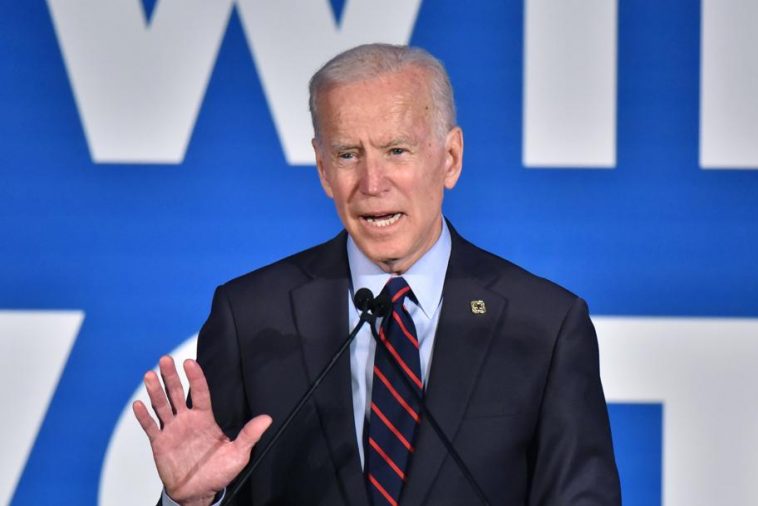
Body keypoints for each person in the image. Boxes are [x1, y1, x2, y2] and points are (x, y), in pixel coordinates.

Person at [133, 43, 621, 506]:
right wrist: (191, 501)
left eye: (396, 151)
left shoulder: (544, 327)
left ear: (450, 159)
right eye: (348, 154)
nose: (371, 183)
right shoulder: (251, 318)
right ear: (323, 169)